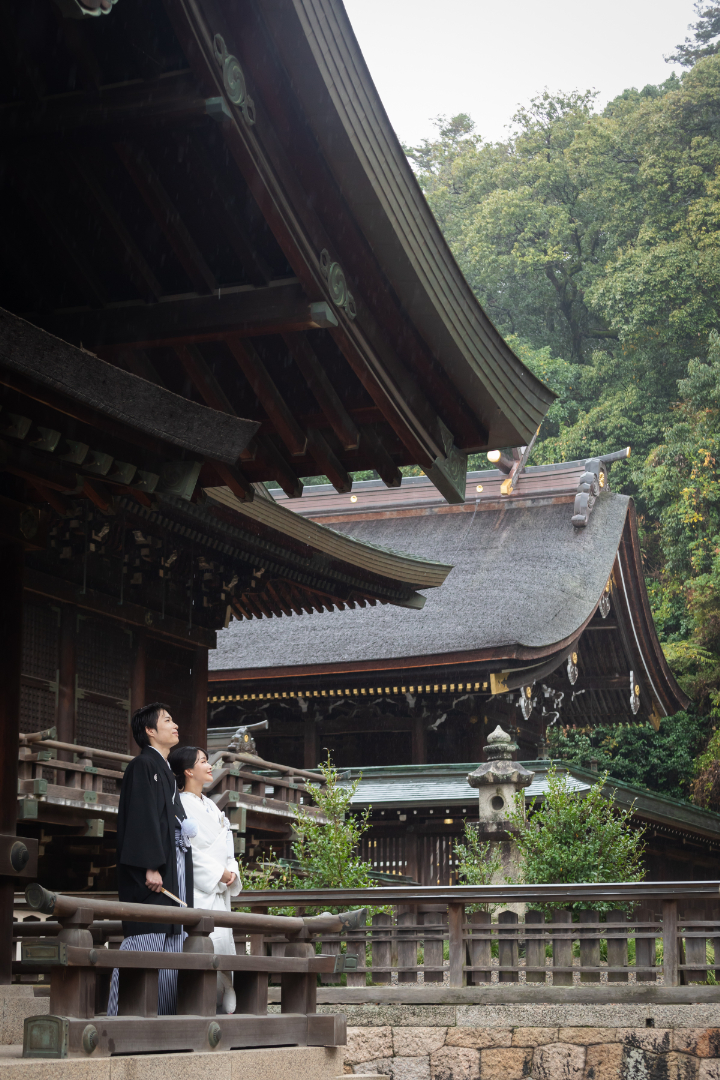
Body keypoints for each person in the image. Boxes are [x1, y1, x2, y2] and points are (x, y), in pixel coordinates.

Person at [107, 703, 194, 1016]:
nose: (175, 725)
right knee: (147, 940)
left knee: (171, 943)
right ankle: (128, 1018)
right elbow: (142, 818)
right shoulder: (143, 766)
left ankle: (164, 1020)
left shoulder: (165, 771)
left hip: (169, 870)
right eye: (167, 720)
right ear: (149, 730)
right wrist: (150, 865)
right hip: (151, 874)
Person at [169, 745, 242, 1013]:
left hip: (221, 887)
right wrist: (218, 873)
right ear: (188, 770)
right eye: (203, 761)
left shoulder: (211, 805)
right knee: (205, 943)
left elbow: (227, 845)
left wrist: (232, 871)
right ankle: (200, 1003)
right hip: (201, 890)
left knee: (225, 943)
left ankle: (226, 992)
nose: (209, 765)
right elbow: (188, 852)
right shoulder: (181, 805)